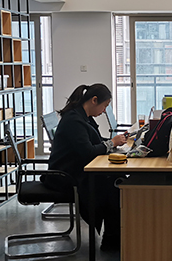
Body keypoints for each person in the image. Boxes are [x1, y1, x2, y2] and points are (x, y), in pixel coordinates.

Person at [47, 83, 126, 251]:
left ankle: (113, 236)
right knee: (114, 184)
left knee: (114, 180)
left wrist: (113, 143)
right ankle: (112, 239)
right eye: (104, 105)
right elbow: (88, 152)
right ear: (94, 100)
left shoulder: (83, 117)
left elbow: (94, 141)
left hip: (74, 170)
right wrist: (111, 143)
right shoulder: (73, 120)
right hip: (64, 177)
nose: (104, 111)